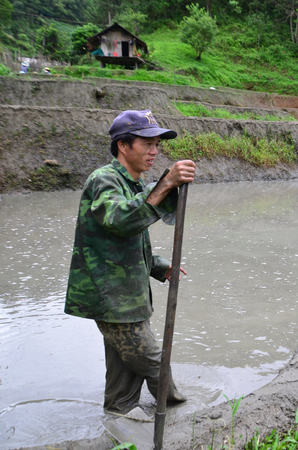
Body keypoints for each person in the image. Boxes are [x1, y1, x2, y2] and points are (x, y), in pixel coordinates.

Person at [64, 110, 196, 413]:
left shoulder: (133, 184)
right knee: (155, 363)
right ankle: (178, 410)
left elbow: (126, 242)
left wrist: (160, 267)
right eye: (147, 142)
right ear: (123, 145)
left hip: (128, 297)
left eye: (158, 144)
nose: (154, 150)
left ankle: (117, 420)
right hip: (114, 302)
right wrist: (164, 185)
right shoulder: (104, 180)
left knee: (124, 378)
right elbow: (121, 221)